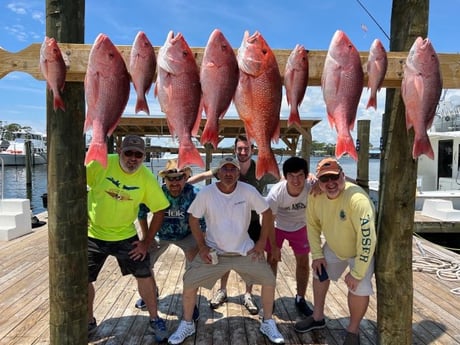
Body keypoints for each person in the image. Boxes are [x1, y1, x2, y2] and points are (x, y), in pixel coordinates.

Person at [167, 156, 284, 345]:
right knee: (189, 282)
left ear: (238, 173)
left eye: (232, 169)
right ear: (218, 173)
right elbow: (193, 219)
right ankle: (187, 323)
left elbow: (267, 212)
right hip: (215, 253)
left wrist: (262, 242)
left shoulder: (248, 190)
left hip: (244, 252)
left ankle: (268, 321)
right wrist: (203, 246)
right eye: (225, 169)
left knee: (269, 280)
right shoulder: (207, 192)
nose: (228, 173)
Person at [86, 135, 170, 342]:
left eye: (138, 155)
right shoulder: (100, 163)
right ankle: (88, 320)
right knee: (83, 279)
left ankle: (154, 318)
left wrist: (146, 242)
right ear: (119, 150)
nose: (133, 158)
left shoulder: (146, 178)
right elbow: (72, 182)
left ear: (144, 157)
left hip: (125, 235)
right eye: (128, 153)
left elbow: (160, 211)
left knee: (145, 274)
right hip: (93, 234)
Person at [188, 135, 279, 315]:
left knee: (251, 255)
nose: (243, 152)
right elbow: (205, 175)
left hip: (252, 221)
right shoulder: (227, 167)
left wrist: (307, 177)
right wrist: (184, 182)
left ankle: (248, 294)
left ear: (252, 150)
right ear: (235, 150)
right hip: (229, 218)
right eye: (240, 149)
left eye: (246, 149)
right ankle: (222, 290)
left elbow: (280, 176)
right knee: (225, 251)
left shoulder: (260, 168)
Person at [294, 158, 376, 345]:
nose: (330, 183)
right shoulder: (315, 196)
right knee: (319, 273)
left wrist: (357, 273)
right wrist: (317, 255)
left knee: (359, 287)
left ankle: (353, 331)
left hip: (359, 250)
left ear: (343, 176)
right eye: (325, 179)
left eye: (334, 177)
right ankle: (317, 317)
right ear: (318, 182)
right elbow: (312, 226)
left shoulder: (358, 199)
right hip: (333, 245)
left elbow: (367, 239)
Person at [134, 159, 204, 322]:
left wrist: (202, 244)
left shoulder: (196, 194)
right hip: (160, 235)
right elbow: (141, 212)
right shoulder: (156, 193)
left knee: (194, 266)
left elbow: (203, 221)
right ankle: (150, 293)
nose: (174, 182)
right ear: (164, 179)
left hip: (187, 234)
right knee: (143, 262)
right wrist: (146, 238)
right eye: (170, 178)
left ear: (185, 179)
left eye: (179, 178)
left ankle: (191, 302)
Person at [265, 156, 313, 317]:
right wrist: (274, 246)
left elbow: (337, 183)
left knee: (303, 262)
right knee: (271, 260)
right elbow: (269, 220)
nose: (296, 180)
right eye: (291, 176)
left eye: (300, 175)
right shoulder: (275, 193)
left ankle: (300, 298)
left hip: (301, 225)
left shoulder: (312, 187)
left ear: (306, 175)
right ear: (285, 176)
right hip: (277, 225)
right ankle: (269, 298)